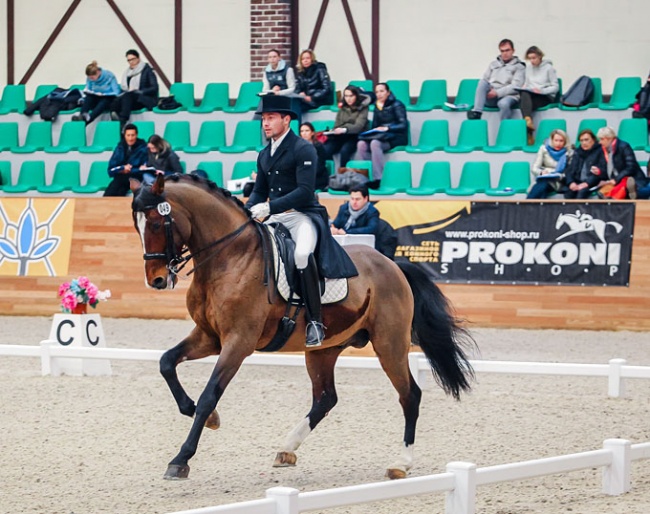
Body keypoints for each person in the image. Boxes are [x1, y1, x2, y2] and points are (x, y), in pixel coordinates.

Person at [245, 95, 357, 347]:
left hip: (302, 215)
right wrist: (248, 209)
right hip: (273, 217)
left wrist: (270, 206)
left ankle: (315, 321)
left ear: (286, 120)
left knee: (302, 255)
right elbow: (259, 189)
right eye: (263, 119)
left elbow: (305, 191)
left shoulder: (303, 148)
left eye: (271, 118)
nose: (265, 123)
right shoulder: (264, 154)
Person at [356, 82, 408, 184]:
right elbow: (375, 125)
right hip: (382, 136)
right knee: (361, 144)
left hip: (397, 136)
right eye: (377, 92)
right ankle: (366, 176)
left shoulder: (397, 104)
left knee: (375, 143)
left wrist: (387, 128)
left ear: (388, 92)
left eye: (382, 91)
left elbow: (403, 125)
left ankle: (378, 178)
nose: (379, 94)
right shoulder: (377, 106)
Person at [467, 39, 525, 120]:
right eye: (502, 51)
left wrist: (497, 93)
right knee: (482, 82)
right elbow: (485, 79)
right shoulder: (493, 64)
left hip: (509, 96)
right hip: (492, 95)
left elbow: (516, 87)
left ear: (513, 51)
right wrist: (491, 90)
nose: (505, 53)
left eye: (507, 50)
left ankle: (504, 127)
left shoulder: (520, 67)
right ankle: (477, 113)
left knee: (503, 104)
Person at [519, 46, 559, 145]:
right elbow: (527, 83)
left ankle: (528, 132)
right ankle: (528, 120)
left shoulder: (549, 68)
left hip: (545, 96)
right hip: (532, 94)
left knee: (525, 105)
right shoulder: (528, 68)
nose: (532, 61)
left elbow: (555, 87)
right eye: (530, 58)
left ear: (540, 56)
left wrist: (541, 90)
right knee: (524, 94)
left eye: (534, 58)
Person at [323, 85, 371, 167]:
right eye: (346, 96)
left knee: (344, 151)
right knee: (326, 149)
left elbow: (359, 126)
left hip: (355, 136)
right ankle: (330, 172)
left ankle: (343, 174)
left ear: (356, 96)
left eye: (351, 96)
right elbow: (337, 124)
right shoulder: (342, 108)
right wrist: (334, 130)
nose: (348, 99)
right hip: (340, 136)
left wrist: (345, 129)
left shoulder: (363, 108)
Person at [596, 126, 648, 200]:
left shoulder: (624, 146)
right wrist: (599, 171)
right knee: (601, 192)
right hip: (615, 179)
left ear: (609, 138)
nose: (600, 142)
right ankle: (615, 196)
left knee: (624, 183)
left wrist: (616, 179)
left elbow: (631, 167)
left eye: (602, 139)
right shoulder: (604, 150)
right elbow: (606, 170)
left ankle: (616, 196)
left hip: (633, 178)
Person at [111, 49, 159, 127]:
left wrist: (139, 91)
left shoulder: (147, 71)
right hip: (132, 99)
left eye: (133, 59)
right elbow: (125, 88)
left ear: (138, 58)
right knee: (116, 100)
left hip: (145, 99)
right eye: (129, 60)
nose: (131, 62)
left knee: (128, 96)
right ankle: (115, 119)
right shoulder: (127, 73)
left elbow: (154, 88)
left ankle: (122, 122)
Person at [103, 123, 149, 197]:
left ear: (136, 135)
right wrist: (122, 168)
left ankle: (104, 201)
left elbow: (144, 169)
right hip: (122, 177)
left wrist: (130, 170)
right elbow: (110, 169)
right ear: (124, 136)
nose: (130, 138)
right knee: (120, 190)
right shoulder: (120, 147)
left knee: (117, 183)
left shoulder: (143, 149)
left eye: (132, 135)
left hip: (136, 178)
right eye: (128, 135)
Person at [527, 129, 573, 199]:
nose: (558, 143)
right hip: (543, 178)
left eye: (561, 141)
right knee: (543, 187)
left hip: (558, 181)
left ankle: (526, 204)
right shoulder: (543, 149)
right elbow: (534, 168)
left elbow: (570, 172)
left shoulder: (569, 153)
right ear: (552, 140)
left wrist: (558, 175)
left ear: (565, 142)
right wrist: (541, 172)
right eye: (556, 140)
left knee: (543, 186)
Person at [563, 129, 608, 199]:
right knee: (569, 192)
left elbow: (601, 172)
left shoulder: (600, 151)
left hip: (593, 183)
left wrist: (587, 183)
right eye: (581, 140)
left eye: (586, 140)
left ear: (593, 140)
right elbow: (569, 170)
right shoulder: (577, 152)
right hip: (577, 182)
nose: (584, 143)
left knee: (582, 192)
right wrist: (571, 182)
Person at [299, 122, 329, 190]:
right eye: (302, 131)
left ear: (312, 133)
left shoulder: (318, 147)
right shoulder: (297, 147)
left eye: (307, 131)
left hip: (317, 177)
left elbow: (320, 165)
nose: (304, 133)